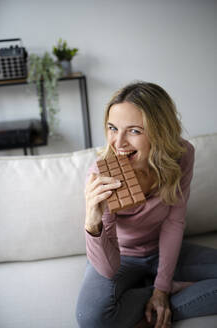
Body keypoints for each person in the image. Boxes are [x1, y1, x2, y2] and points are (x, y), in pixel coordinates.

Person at [76, 82, 217, 328]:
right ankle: (160, 293)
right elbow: (109, 270)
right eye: (112, 128)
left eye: (134, 131)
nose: (118, 142)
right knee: (91, 320)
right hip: (121, 257)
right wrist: (92, 220)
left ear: (160, 132)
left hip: (162, 251)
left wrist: (162, 289)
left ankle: (159, 293)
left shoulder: (182, 155)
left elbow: (174, 222)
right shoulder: (103, 174)